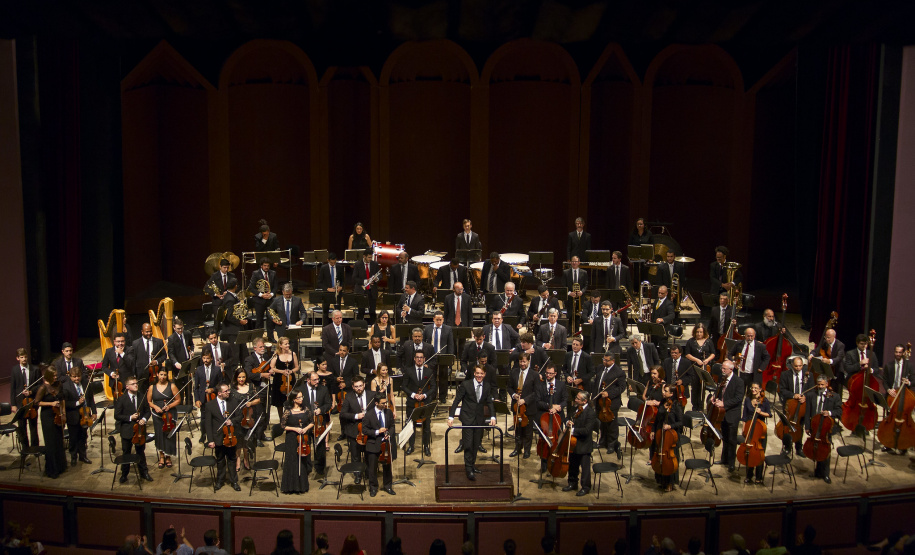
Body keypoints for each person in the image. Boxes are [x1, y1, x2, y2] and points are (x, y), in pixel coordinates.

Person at [449, 366, 496, 481]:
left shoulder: (487, 386)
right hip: (467, 419)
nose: (479, 375)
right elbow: (457, 400)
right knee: (468, 444)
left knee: (476, 444)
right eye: (477, 373)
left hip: (479, 420)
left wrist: (493, 416)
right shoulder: (466, 384)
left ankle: (472, 465)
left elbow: (489, 402)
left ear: (484, 374)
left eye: (481, 373)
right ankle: (468, 468)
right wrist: (451, 416)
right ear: (474, 373)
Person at [114, 376, 153, 483]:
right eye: (133, 384)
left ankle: (144, 472)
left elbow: (147, 411)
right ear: (127, 387)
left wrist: (144, 419)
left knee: (141, 452)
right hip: (127, 431)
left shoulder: (142, 396)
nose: (136, 385)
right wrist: (130, 417)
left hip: (140, 430)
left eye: (136, 383)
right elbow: (117, 415)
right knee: (126, 452)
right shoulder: (121, 399)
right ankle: (124, 474)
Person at [206, 383, 243, 491]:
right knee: (220, 460)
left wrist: (232, 421)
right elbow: (208, 424)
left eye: (228, 390)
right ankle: (220, 481)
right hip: (218, 437)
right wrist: (210, 440)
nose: (228, 392)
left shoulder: (233, 402)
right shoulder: (210, 405)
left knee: (232, 459)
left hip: (230, 436)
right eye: (226, 391)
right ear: (219, 393)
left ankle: (234, 481)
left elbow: (240, 416)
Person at [806, 374, 841, 483]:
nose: (820, 387)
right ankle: (817, 471)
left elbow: (839, 411)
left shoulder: (834, 396)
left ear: (826, 384)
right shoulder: (811, 395)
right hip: (815, 427)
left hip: (826, 428)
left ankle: (826, 474)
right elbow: (808, 412)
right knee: (816, 449)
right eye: (818, 384)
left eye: (822, 385)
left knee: (825, 451)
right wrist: (807, 426)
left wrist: (829, 413)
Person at [33, 366, 67, 478]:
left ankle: (60, 467)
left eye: (56, 375)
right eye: (54, 376)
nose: (56, 377)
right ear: (48, 376)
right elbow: (37, 402)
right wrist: (51, 404)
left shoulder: (58, 385)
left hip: (58, 415)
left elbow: (62, 399)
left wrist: (63, 414)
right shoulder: (43, 388)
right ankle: (52, 470)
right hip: (47, 416)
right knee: (51, 442)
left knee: (58, 440)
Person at [295, 371, 331, 476]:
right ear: (308, 380)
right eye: (314, 380)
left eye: (318, 379)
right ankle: (307, 467)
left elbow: (328, 404)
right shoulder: (300, 390)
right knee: (306, 444)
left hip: (319, 422)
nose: (317, 381)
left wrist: (321, 409)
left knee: (320, 446)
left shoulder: (323, 389)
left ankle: (320, 468)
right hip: (305, 422)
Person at [563, 391, 597, 496]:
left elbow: (587, 430)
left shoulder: (590, 413)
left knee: (585, 468)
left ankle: (586, 487)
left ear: (584, 401)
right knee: (572, 465)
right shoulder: (575, 408)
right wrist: (568, 422)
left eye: (578, 398)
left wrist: (573, 430)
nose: (575, 400)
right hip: (573, 442)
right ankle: (572, 483)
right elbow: (568, 417)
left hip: (583, 444)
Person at [232, 368, 266, 472]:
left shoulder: (251, 386)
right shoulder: (232, 387)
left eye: (243, 377)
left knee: (247, 439)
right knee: (238, 439)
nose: (241, 379)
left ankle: (246, 459)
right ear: (236, 378)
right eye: (239, 377)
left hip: (249, 416)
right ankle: (238, 459)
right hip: (237, 417)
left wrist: (251, 403)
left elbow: (259, 399)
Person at [535, 364, 568, 471]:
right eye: (547, 373)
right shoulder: (540, 386)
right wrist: (549, 406)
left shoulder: (561, 385)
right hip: (544, 419)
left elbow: (565, 400)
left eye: (550, 373)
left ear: (555, 374)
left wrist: (559, 407)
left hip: (557, 418)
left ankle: (554, 463)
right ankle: (544, 464)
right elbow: (538, 401)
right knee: (543, 443)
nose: (548, 375)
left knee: (557, 442)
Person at [280, 388, 313, 494]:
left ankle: (302, 486)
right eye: (299, 397)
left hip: (303, 438)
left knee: (302, 461)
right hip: (291, 439)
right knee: (292, 460)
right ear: (294, 399)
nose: (301, 399)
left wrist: (305, 429)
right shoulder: (288, 411)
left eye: (301, 396)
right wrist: (295, 429)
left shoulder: (306, 409)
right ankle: (290, 486)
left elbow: (312, 422)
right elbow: (283, 426)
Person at [364, 392, 397, 496]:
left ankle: (388, 486)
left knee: (387, 466)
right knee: (372, 468)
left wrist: (388, 434)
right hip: (373, 443)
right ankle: (373, 488)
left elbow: (392, 426)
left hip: (386, 444)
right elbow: (364, 430)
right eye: (383, 403)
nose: (385, 405)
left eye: (386, 402)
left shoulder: (388, 412)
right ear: (376, 403)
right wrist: (377, 432)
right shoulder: (369, 414)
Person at [650, 386, 683, 492]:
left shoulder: (677, 405)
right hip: (660, 434)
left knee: (670, 459)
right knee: (660, 456)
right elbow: (657, 419)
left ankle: (670, 482)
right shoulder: (662, 402)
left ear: (672, 394)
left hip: (671, 436)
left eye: (666, 391)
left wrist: (670, 426)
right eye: (663, 390)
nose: (663, 392)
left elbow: (681, 422)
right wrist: (653, 430)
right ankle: (661, 480)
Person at [593, 352, 625, 458]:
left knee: (611, 424)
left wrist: (609, 394)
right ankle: (603, 441)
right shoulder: (600, 368)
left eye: (606, 360)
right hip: (599, 400)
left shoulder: (619, 372)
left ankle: (612, 444)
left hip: (611, 402)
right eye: (603, 359)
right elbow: (597, 383)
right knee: (602, 422)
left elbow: (621, 388)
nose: (604, 362)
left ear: (613, 361)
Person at [147, 367, 180, 469]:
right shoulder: (152, 387)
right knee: (159, 434)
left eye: (165, 375)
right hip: (157, 415)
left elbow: (178, 400)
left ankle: (168, 456)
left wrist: (169, 406)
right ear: (157, 374)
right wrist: (155, 407)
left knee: (169, 434)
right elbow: (149, 402)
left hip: (169, 414)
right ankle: (161, 456)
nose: (163, 377)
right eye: (161, 374)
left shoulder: (172, 386)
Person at [714, 360, 744, 473]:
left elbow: (738, 398)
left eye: (724, 369)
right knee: (725, 438)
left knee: (732, 440)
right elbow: (719, 391)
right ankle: (724, 459)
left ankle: (731, 463)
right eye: (722, 368)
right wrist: (714, 397)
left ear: (731, 369)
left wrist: (724, 403)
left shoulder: (739, 381)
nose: (722, 370)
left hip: (732, 414)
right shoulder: (723, 379)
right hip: (723, 414)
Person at [404, 351, 436, 455]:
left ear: (424, 358)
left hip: (424, 402)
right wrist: (413, 395)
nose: (419, 359)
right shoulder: (408, 371)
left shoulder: (429, 372)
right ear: (414, 358)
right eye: (417, 357)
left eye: (421, 357)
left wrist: (424, 395)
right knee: (411, 425)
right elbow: (404, 386)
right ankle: (411, 446)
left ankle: (426, 446)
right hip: (412, 402)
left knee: (426, 426)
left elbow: (433, 387)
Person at [61, 366, 94, 465]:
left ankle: (83, 456)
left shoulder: (85, 383)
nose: (76, 379)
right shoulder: (66, 386)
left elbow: (90, 398)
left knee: (83, 436)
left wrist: (95, 412)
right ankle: (73, 457)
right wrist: (77, 403)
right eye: (74, 377)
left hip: (85, 415)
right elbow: (65, 403)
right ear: (70, 376)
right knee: (73, 438)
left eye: (78, 376)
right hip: (73, 416)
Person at [509, 352, 539, 458]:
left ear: (529, 362)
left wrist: (525, 400)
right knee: (518, 429)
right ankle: (517, 448)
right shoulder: (514, 372)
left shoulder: (534, 375)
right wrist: (514, 395)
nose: (522, 364)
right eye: (521, 361)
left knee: (527, 430)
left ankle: (527, 450)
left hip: (528, 407)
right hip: (516, 406)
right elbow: (509, 387)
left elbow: (536, 392)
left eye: (524, 362)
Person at [778, 356, 809, 457]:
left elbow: (812, 391)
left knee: (800, 426)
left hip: (802, 405)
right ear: (792, 365)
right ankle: (787, 447)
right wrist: (793, 395)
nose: (798, 368)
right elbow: (782, 390)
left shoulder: (808, 375)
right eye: (796, 366)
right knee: (787, 427)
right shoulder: (785, 374)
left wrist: (805, 397)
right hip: (790, 405)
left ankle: (799, 448)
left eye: (800, 366)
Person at [10, 347, 41, 448]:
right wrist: (13, 404)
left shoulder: (35, 369)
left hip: (31, 402)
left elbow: (40, 386)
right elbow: (13, 388)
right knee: (22, 427)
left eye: (25, 357)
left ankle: (35, 447)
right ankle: (25, 448)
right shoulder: (14, 370)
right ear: (17, 358)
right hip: (20, 403)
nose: (24, 359)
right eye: (22, 357)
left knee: (33, 427)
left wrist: (31, 391)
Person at [741, 382, 771, 485]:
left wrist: (760, 412)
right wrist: (744, 428)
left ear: (760, 390)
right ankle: (749, 475)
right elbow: (744, 415)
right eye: (752, 387)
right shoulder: (748, 399)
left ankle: (759, 476)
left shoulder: (764, 401)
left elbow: (769, 414)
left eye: (755, 388)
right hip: (750, 428)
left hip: (760, 430)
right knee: (749, 452)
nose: (753, 389)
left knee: (759, 453)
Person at [340, 376, 370, 475]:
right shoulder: (348, 396)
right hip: (354, 431)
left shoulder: (372, 395)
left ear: (364, 385)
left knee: (369, 454)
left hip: (368, 430)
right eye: (356, 386)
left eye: (361, 386)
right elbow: (343, 414)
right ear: (352, 387)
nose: (359, 388)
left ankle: (368, 474)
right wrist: (356, 416)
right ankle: (357, 475)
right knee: (355, 455)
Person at [683, 323, 717, 410]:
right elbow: (687, 354)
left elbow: (713, 353)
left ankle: (701, 406)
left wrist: (707, 360)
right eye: (697, 332)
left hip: (705, 367)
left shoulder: (709, 341)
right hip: (694, 367)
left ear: (704, 332)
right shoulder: (690, 341)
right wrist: (696, 360)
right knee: (695, 387)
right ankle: (695, 406)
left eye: (701, 332)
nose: (699, 334)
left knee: (703, 388)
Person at [728, 327, 771, 393]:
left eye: (752, 336)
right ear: (744, 335)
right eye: (748, 336)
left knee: (750, 395)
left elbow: (767, 357)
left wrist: (761, 368)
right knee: (738, 394)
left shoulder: (760, 346)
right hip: (740, 373)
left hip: (752, 375)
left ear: (754, 336)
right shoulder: (739, 344)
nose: (750, 338)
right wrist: (734, 362)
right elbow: (729, 354)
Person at [424, 311, 456, 403]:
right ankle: (432, 395)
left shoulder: (448, 329)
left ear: (443, 320)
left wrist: (449, 359)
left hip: (443, 356)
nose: (438, 321)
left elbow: (450, 344)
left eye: (440, 320)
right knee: (431, 377)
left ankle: (442, 396)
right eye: (437, 319)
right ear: (433, 319)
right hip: (431, 356)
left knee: (443, 377)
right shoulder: (428, 328)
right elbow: (425, 344)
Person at [194, 350, 223, 444]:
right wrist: (197, 399)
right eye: (204, 358)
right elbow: (196, 387)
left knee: (214, 417)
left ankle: (215, 434)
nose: (205, 360)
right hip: (203, 398)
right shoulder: (198, 370)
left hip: (213, 397)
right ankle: (203, 434)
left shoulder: (217, 369)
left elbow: (221, 384)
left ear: (211, 359)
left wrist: (213, 389)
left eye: (207, 358)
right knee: (203, 418)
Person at [841, 333, 880, 400]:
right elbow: (848, 368)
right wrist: (859, 364)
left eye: (865, 344)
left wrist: (871, 370)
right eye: (862, 344)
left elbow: (877, 369)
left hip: (867, 382)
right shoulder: (850, 353)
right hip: (854, 381)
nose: (864, 346)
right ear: (857, 343)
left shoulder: (872, 354)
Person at [218, 280, 248, 364]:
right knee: (235, 355)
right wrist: (240, 321)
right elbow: (229, 316)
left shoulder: (229, 296)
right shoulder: (229, 299)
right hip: (232, 331)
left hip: (236, 330)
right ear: (235, 286)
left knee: (244, 353)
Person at [270, 336, 300, 418]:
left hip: (290, 380)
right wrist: (282, 371)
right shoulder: (276, 355)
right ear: (280, 345)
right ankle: (281, 419)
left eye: (288, 343)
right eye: (285, 344)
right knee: (279, 402)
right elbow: (272, 367)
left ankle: (290, 419)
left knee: (291, 400)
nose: (288, 345)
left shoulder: (293, 354)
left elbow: (297, 367)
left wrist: (291, 371)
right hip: (279, 380)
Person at [808, 328, 845, 395]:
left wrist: (829, 361)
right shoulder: (825, 342)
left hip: (836, 369)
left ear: (834, 337)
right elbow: (816, 350)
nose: (827, 339)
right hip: (827, 368)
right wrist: (811, 354)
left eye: (829, 338)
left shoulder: (840, 345)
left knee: (835, 387)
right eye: (826, 337)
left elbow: (839, 358)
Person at [133, 322, 167, 391]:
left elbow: (164, 355)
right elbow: (134, 359)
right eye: (147, 332)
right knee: (143, 395)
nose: (149, 333)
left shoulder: (159, 342)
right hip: (142, 374)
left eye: (150, 331)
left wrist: (157, 361)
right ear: (142, 332)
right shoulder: (135, 343)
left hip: (155, 373)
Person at [168, 319, 195, 404]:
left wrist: (192, 350)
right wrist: (176, 363)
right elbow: (171, 353)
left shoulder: (187, 334)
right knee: (179, 386)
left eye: (182, 328)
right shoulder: (171, 338)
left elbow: (191, 344)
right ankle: (180, 404)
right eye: (178, 328)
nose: (180, 330)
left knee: (188, 385)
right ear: (174, 328)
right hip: (178, 365)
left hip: (187, 363)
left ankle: (189, 403)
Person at [248, 258, 278, 329]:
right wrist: (261, 295)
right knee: (259, 321)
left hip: (270, 300)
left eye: (268, 265)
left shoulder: (273, 273)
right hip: (259, 300)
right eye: (265, 265)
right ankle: (259, 338)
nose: (266, 267)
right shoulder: (255, 273)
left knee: (271, 320)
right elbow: (251, 287)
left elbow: (276, 286)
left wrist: (271, 294)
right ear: (261, 266)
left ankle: (271, 337)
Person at [563, 337, 594, 407]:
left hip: (582, 386)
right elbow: (564, 369)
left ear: (581, 346)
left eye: (577, 345)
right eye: (573, 344)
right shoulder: (568, 355)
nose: (574, 346)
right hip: (570, 385)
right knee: (569, 406)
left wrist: (581, 379)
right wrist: (567, 376)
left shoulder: (587, 357)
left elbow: (592, 372)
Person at [353, 248, 380, 324]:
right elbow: (354, 278)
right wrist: (365, 281)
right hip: (361, 291)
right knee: (361, 311)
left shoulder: (374, 264)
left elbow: (379, 275)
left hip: (372, 291)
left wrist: (376, 279)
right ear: (364, 256)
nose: (370, 259)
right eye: (369, 257)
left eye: (371, 257)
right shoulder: (358, 264)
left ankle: (373, 329)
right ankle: (360, 329)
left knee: (372, 312)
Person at [648, 286, 676, 356]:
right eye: (659, 293)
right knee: (652, 348)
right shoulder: (656, 301)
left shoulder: (668, 303)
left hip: (662, 330)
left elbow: (672, 315)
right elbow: (654, 313)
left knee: (663, 350)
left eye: (662, 293)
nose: (660, 294)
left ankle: (664, 365)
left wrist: (663, 319)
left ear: (666, 293)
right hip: (654, 329)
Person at [317, 253, 344, 324]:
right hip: (327, 293)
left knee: (338, 311)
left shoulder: (340, 267)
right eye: (331, 262)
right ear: (328, 260)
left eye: (334, 262)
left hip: (337, 292)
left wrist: (341, 287)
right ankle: (325, 329)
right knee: (325, 311)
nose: (333, 264)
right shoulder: (323, 268)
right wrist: (327, 289)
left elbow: (343, 280)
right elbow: (319, 282)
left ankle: (338, 328)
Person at [662, 345, 690, 409]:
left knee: (679, 411)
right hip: (669, 390)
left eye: (675, 353)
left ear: (680, 353)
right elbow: (663, 375)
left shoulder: (686, 362)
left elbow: (691, 377)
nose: (673, 354)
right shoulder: (666, 361)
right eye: (672, 353)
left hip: (680, 391)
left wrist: (682, 381)